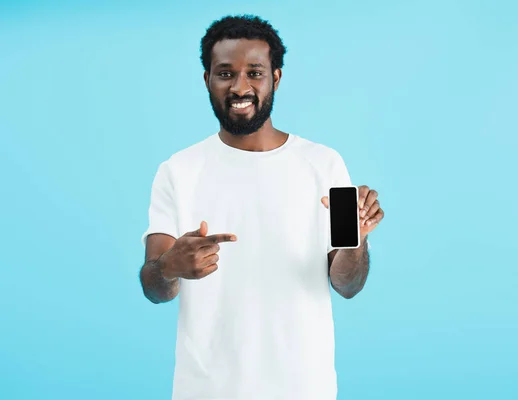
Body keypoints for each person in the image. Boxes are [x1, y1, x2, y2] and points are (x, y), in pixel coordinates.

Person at [139, 14, 385, 400]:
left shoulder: (324, 164)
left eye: (255, 72)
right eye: (225, 73)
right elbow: (154, 288)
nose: (240, 87)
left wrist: (358, 240)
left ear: (276, 77)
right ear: (207, 80)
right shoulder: (178, 170)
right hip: (204, 390)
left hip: (304, 388)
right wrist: (169, 266)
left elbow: (348, 285)